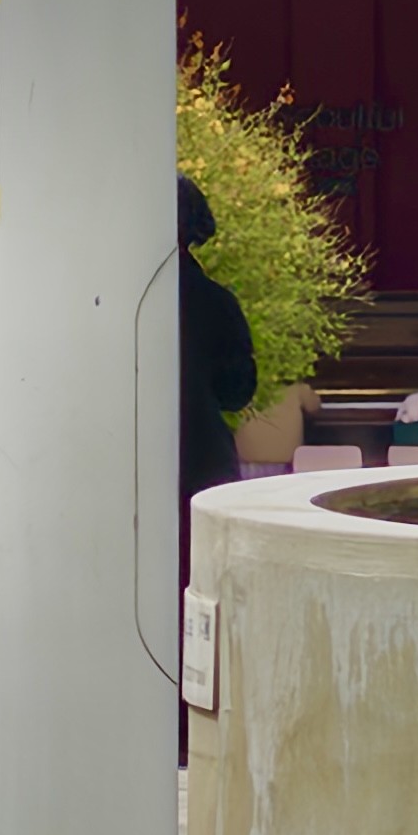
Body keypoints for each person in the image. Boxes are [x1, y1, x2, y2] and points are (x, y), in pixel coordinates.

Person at [177, 175, 257, 753]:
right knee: (198, 592)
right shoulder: (215, 301)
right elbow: (236, 390)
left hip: (120, 467)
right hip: (200, 462)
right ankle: (192, 718)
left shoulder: (106, 300)